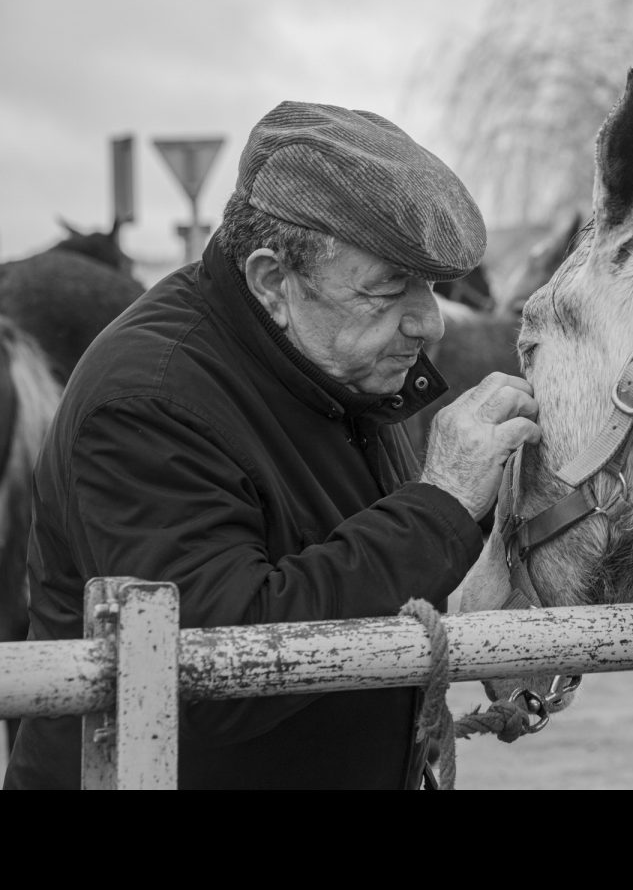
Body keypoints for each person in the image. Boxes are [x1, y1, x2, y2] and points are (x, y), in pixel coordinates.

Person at [3, 100, 540, 790]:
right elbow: (221, 664)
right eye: (389, 289)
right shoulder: (146, 402)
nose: (430, 321)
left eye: (431, 285)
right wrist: (441, 504)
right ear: (271, 280)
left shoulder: (330, 355)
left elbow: (357, 566)